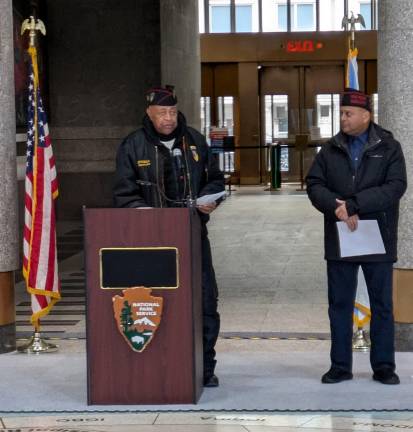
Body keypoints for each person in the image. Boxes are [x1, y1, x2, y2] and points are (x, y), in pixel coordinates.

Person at [113, 85, 224, 387]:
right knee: (157, 302)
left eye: (172, 112)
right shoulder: (133, 146)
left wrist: (210, 198)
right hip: (150, 243)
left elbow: (215, 180)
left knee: (204, 301)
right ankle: (157, 364)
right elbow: (123, 193)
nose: (168, 118)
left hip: (192, 236)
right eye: (162, 113)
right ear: (149, 113)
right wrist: (144, 213)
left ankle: (205, 367)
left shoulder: (195, 141)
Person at [306, 88, 407, 385]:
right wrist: (336, 207)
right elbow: (314, 184)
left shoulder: (388, 147)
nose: (343, 119)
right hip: (341, 237)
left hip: (378, 236)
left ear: (366, 116)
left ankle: (384, 366)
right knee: (339, 303)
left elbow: (395, 186)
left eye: (348, 114)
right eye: (341, 113)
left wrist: (355, 205)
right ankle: (340, 366)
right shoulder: (330, 148)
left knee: (382, 305)